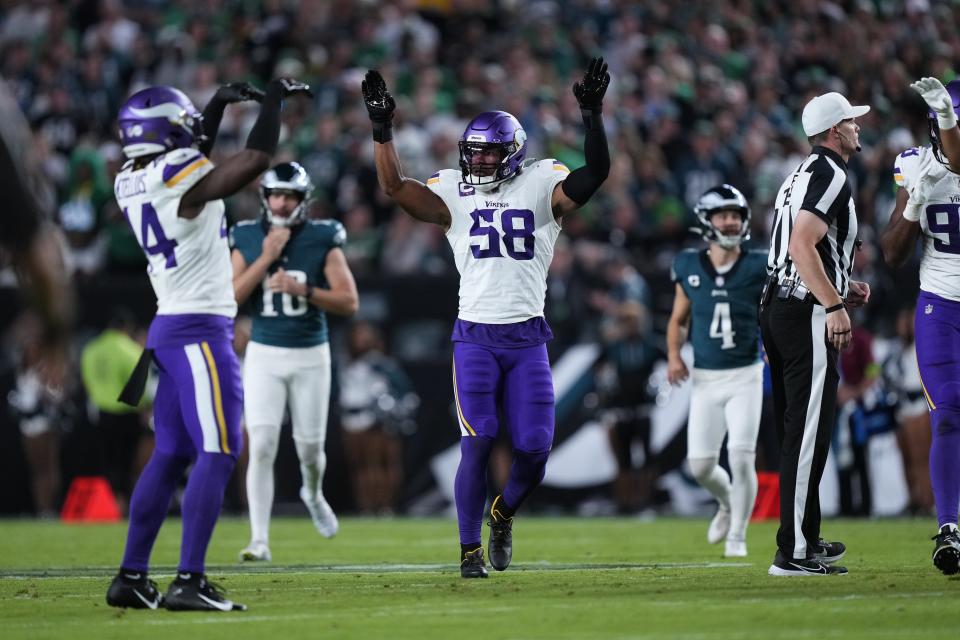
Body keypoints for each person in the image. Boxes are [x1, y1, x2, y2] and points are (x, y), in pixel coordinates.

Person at [362, 57, 610, 578]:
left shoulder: (542, 184)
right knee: (477, 440)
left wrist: (592, 118)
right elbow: (395, 188)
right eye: (472, 152)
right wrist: (382, 131)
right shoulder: (454, 190)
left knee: (536, 451)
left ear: (514, 153)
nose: (478, 161)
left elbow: (595, 175)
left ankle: (502, 515)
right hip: (474, 335)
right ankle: (467, 549)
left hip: (527, 338)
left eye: (490, 151)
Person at [105, 78, 312, 611]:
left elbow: (195, 160)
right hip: (199, 329)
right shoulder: (177, 174)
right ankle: (188, 579)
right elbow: (256, 158)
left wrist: (217, 104)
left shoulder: (131, 177)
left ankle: (131, 576)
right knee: (221, 449)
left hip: (169, 328)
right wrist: (272, 100)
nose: (193, 130)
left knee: (171, 453)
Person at [761, 91, 872, 577]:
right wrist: (832, 302)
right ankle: (796, 551)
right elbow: (800, 242)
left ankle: (804, 535)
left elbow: (799, 248)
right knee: (807, 435)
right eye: (851, 121)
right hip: (801, 309)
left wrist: (842, 285)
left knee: (799, 432)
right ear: (833, 131)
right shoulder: (830, 173)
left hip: (778, 304)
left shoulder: (800, 173)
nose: (858, 128)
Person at [230, 161, 358, 562]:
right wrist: (266, 258)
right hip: (264, 352)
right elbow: (229, 299)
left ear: (303, 201)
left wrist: (306, 290)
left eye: (290, 196)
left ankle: (313, 492)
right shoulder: (248, 236)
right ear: (264, 197)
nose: (281, 203)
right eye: (276, 195)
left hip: (310, 354)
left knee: (309, 451)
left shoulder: (323, 236)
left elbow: (349, 301)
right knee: (262, 443)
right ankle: (259, 539)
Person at [881, 78, 960, 575]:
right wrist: (914, 201)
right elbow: (891, 253)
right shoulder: (913, 163)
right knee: (948, 412)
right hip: (941, 307)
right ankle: (949, 528)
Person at [666, 184, 767, 557]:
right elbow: (678, 319)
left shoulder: (760, 264)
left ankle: (737, 535)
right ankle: (726, 503)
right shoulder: (688, 264)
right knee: (701, 466)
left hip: (746, 373)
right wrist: (674, 356)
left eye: (736, 215)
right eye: (723, 215)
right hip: (706, 378)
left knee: (742, 456)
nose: (730, 222)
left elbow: (776, 310)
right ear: (707, 221)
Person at [339, 320, 417, 515]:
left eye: (366, 335)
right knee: (360, 466)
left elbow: (405, 391)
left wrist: (391, 412)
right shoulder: (344, 364)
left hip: (379, 420)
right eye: (358, 335)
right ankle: (365, 505)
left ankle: (385, 505)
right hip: (351, 420)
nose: (363, 340)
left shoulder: (383, 364)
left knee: (381, 464)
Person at [80, 308, 153, 514]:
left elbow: (87, 382)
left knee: (109, 461)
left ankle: (113, 503)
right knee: (129, 462)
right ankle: (126, 504)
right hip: (126, 414)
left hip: (101, 413)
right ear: (126, 328)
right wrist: (145, 406)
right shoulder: (129, 349)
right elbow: (140, 386)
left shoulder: (90, 350)